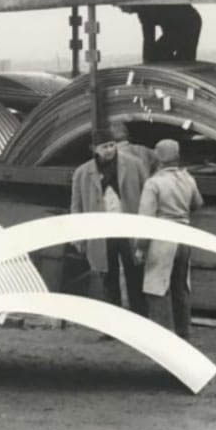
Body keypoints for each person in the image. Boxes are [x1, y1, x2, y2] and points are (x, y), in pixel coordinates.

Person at [70, 128, 148, 316]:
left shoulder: (135, 165)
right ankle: (113, 323)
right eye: (105, 147)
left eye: (112, 145)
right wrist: (78, 237)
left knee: (135, 275)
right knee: (107, 277)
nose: (110, 150)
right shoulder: (82, 173)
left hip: (129, 230)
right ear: (94, 149)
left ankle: (140, 320)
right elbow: (76, 206)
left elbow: (147, 198)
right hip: (101, 232)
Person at [134, 139, 203, 339]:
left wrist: (140, 247)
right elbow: (198, 203)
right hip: (183, 237)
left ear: (158, 158)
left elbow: (146, 219)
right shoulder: (188, 178)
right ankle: (184, 333)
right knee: (180, 288)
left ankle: (162, 338)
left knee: (157, 288)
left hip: (162, 239)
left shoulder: (154, 183)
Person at [122, 4, 202, 63]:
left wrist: (147, 62)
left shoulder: (145, 10)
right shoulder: (143, 10)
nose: (122, 10)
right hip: (180, 25)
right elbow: (149, 40)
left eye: (122, 6)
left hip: (190, 22)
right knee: (157, 55)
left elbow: (149, 40)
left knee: (185, 60)